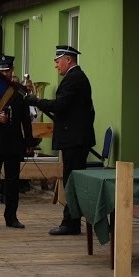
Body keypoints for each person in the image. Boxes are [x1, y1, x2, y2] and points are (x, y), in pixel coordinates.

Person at [26, 45, 95, 236]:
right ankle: (71, 221)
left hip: (75, 140)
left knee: (72, 182)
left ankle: (71, 223)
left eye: (58, 61)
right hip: (74, 139)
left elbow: (61, 105)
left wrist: (36, 101)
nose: (56, 66)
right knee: (71, 181)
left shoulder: (74, 79)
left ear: (68, 60)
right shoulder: (74, 78)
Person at [0, 55, 35, 230]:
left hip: (13, 142)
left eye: (7, 70)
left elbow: (25, 119)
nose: (4, 73)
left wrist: (29, 141)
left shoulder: (19, 91)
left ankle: (11, 217)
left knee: (12, 183)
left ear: (12, 70)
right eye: (0, 71)